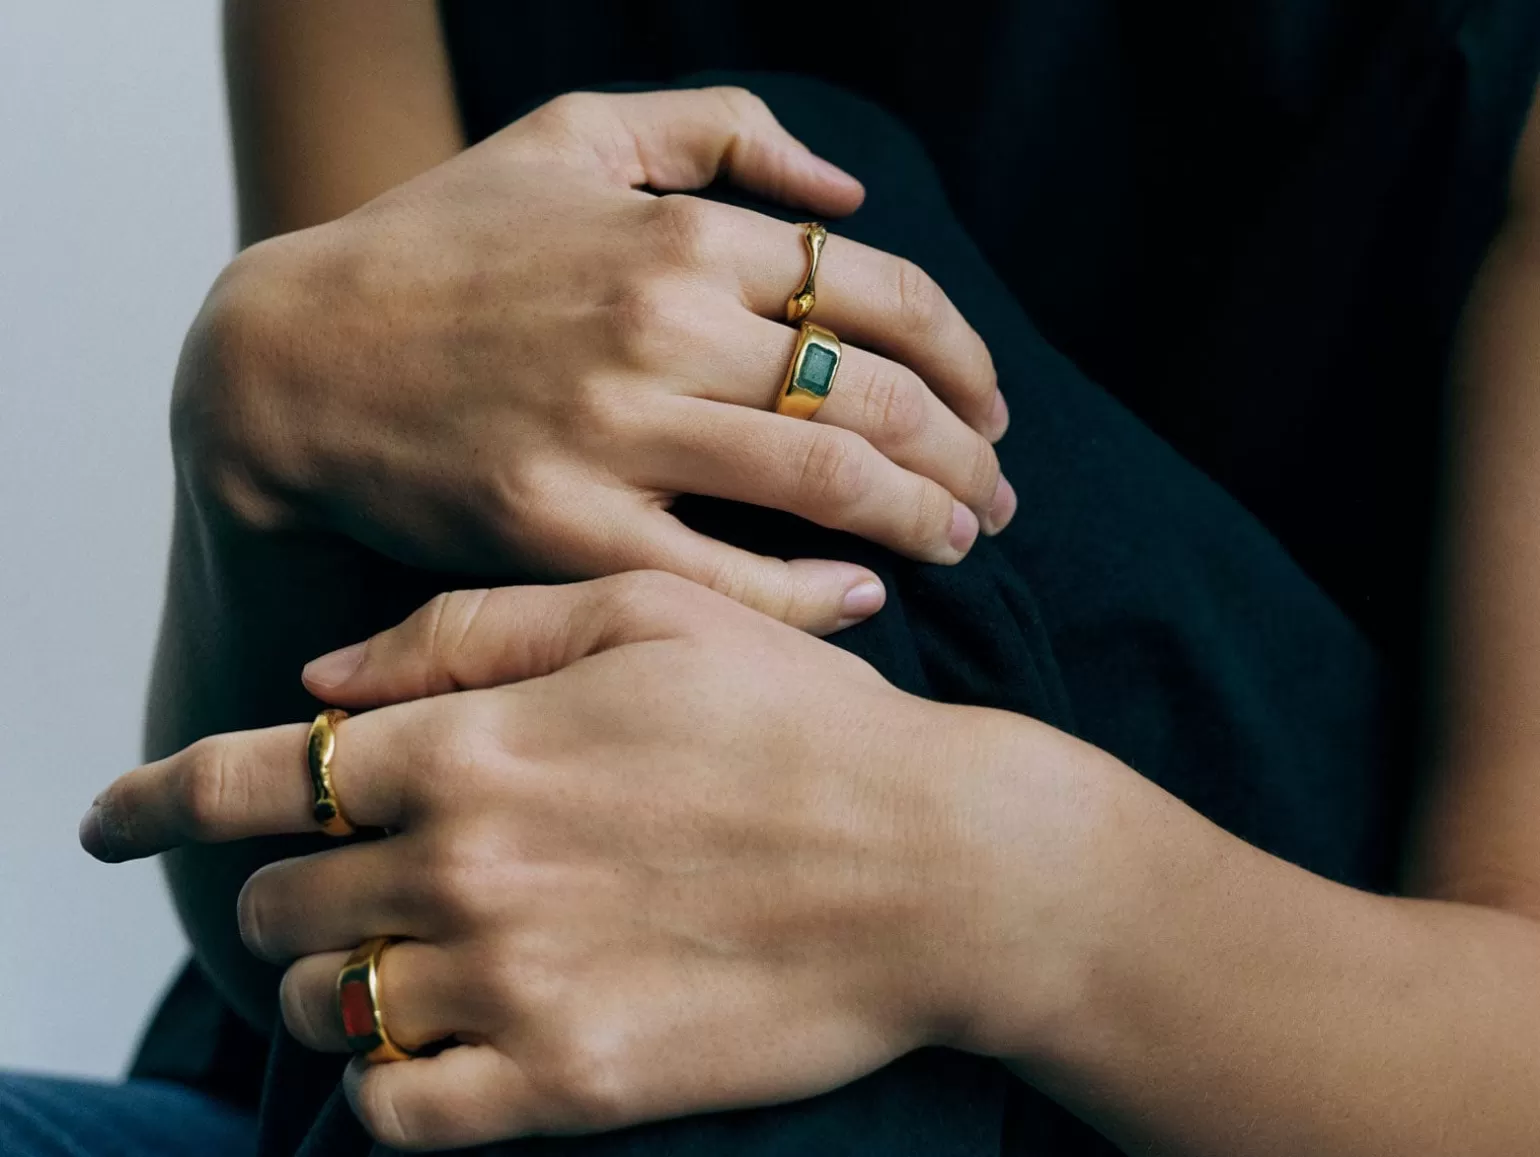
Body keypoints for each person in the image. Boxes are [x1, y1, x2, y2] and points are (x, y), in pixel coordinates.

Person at [9, 1, 1540, 1154]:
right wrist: (255, 430)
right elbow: (308, 890)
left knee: (762, 210)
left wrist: (1000, 885)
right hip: (400, 1071)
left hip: (1218, 1058)